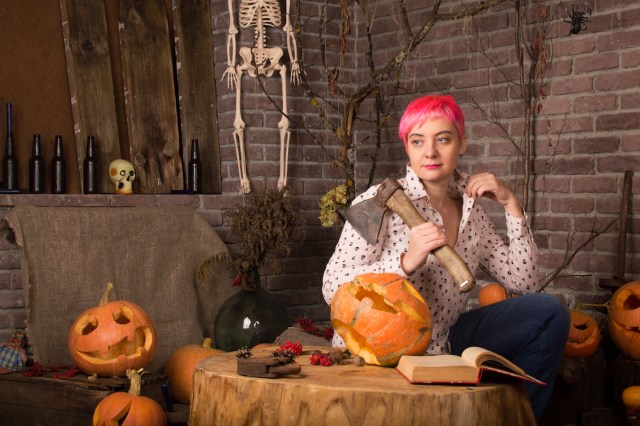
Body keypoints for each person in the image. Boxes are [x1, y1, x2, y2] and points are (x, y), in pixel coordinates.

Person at [322, 94, 570, 420]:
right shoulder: (378, 201)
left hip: (443, 339)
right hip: (382, 346)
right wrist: (405, 262)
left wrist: (511, 205)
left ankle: (517, 418)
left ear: (462, 143)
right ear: (407, 147)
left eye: (443, 139)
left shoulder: (472, 210)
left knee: (548, 312)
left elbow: (525, 282)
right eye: (418, 141)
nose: (430, 152)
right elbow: (332, 286)